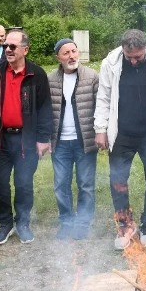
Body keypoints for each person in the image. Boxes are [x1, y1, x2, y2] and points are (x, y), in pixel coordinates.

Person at [94, 29, 146, 250]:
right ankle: (124, 225)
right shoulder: (110, 64)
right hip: (122, 133)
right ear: (123, 50)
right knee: (118, 180)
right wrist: (100, 129)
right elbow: (103, 97)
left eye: (138, 56)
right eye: (129, 57)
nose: (134, 61)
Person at [0, 29, 52, 245]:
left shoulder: (37, 74)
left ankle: (23, 223)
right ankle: (5, 223)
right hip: (0, 140)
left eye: (12, 46)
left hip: (26, 140)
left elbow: (45, 109)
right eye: (5, 46)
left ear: (25, 49)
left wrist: (43, 138)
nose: (8, 50)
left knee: (24, 184)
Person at [48, 38, 99, 240]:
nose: (71, 56)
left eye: (74, 51)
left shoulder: (92, 76)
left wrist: (101, 132)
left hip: (85, 141)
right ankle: (66, 222)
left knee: (86, 184)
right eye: (66, 53)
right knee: (61, 184)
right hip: (60, 142)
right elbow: (45, 111)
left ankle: (83, 223)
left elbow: (101, 107)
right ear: (58, 57)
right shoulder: (50, 79)